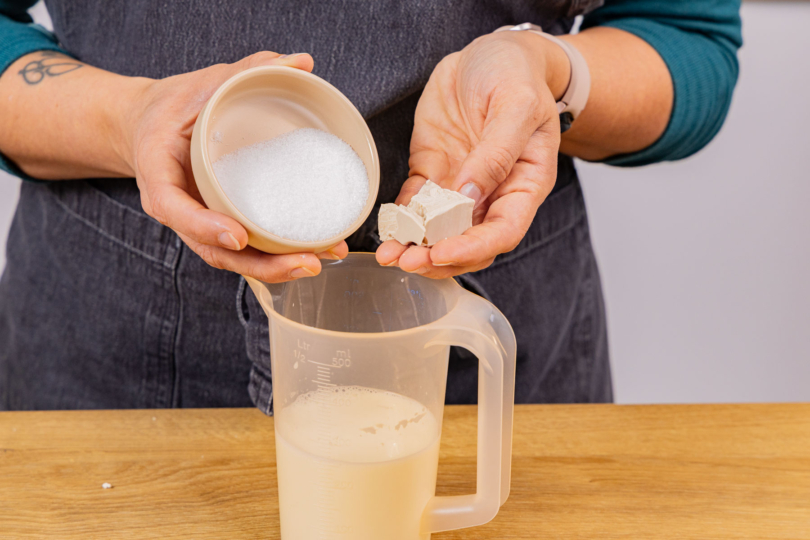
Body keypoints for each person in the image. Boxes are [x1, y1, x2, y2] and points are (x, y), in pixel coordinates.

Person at [0, 0, 741, 412]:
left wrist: (549, 70)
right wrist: (132, 120)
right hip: (108, 349)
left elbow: (687, 35)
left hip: (481, 332)